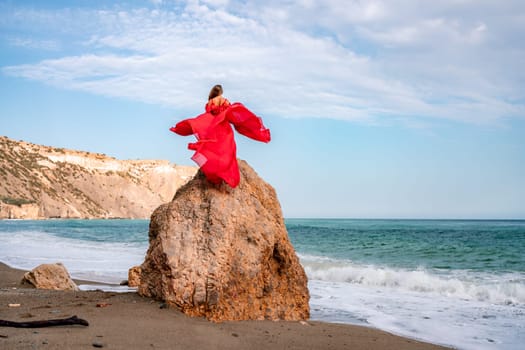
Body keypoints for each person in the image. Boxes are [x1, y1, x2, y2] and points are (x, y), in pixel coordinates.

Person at [170, 84, 271, 188]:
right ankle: (224, 173)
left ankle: (216, 173)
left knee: (213, 148)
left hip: (214, 127)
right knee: (227, 149)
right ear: (221, 92)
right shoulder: (223, 100)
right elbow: (230, 111)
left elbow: (210, 112)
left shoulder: (210, 102)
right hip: (223, 127)